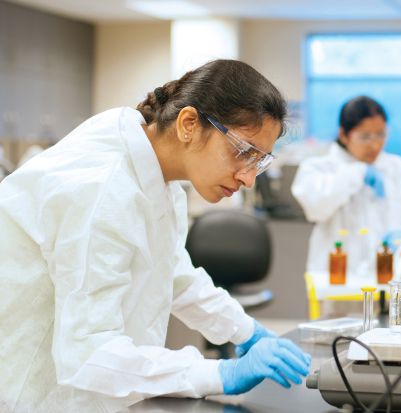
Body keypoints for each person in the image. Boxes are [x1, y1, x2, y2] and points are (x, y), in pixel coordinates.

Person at [0, 60, 311, 413]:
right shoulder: (102, 189)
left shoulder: (156, 173)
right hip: (27, 395)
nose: (249, 178)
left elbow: (174, 274)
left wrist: (245, 331)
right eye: (243, 151)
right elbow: (88, 353)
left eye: (260, 161)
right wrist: (217, 373)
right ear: (189, 123)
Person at [292, 96, 401, 277]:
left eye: (380, 134)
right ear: (344, 135)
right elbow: (316, 208)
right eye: (365, 136)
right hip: (336, 281)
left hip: (391, 277)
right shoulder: (318, 168)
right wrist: (356, 173)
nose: (375, 144)